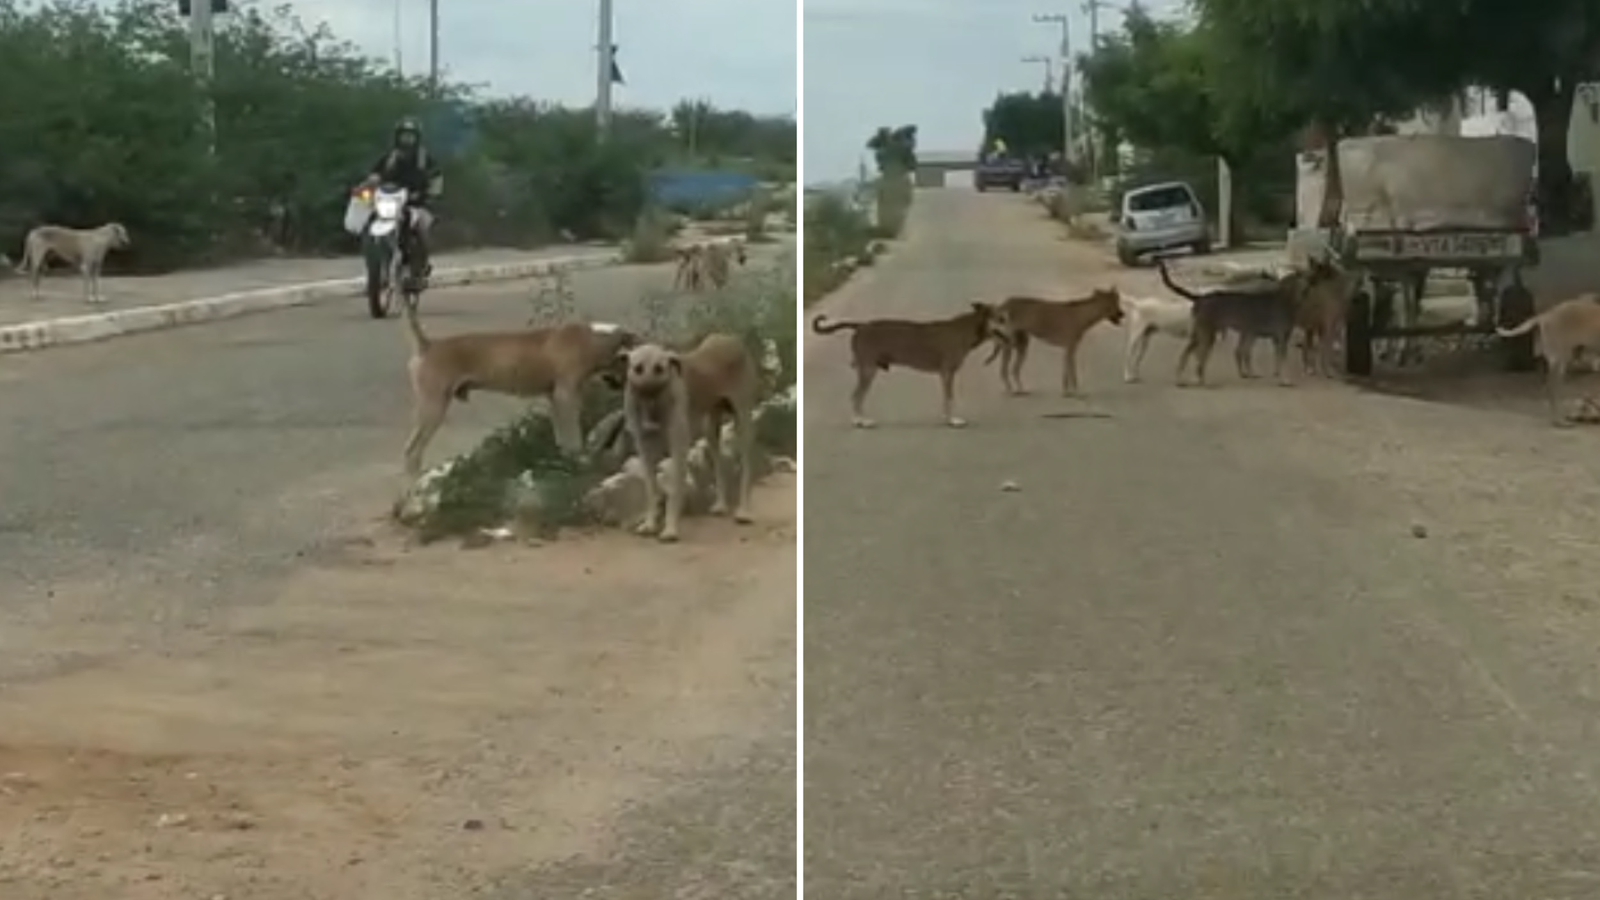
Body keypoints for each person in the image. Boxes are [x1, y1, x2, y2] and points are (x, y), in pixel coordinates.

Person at [364, 116, 442, 288]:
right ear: (397, 137)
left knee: (421, 228)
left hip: (417, 204)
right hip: (391, 202)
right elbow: (376, 174)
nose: (407, 139)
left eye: (410, 135)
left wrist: (431, 194)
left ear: (417, 137)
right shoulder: (390, 157)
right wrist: (371, 182)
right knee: (370, 221)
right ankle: (374, 269)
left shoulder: (424, 158)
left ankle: (420, 269)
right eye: (403, 135)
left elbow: (436, 178)